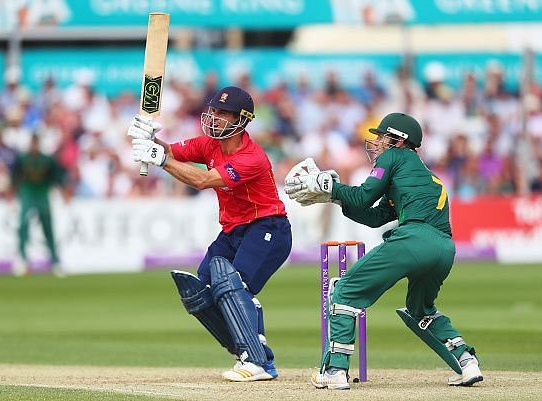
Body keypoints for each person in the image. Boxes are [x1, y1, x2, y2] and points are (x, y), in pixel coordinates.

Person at [284, 113, 483, 390]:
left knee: (345, 291)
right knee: (420, 310)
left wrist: (333, 187)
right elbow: (375, 216)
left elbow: (364, 196)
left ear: (399, 141)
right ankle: (467, 361)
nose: (376, 142)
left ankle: (336, 371)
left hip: (413, 239)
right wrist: (334, 196)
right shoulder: (422, 176)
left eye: (382, 137)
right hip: (444, 249)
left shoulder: (394, 158)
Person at [128, 86, 292, 381]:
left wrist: (160, 160)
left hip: (268, 228)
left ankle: (256, 362)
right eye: (213, 111)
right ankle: (256, 352)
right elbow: (170, 151)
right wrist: (148, 139)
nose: (214, 117)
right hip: (232, 230)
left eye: (223, 113)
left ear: (242, 120)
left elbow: (204, 180)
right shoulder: (209, 145)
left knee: (232, 287)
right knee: (200, 295)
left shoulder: (251, 157)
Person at [11, 134, 65, 276]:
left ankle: (54, 260)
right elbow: (14, 176)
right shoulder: (22, 159)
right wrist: (12, 192)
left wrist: (62, 190)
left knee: (48, 226)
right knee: (23, 224)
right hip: (27, 193)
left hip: (42, 193)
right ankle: (22, 259)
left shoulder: (46, 160)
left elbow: (57, 176)